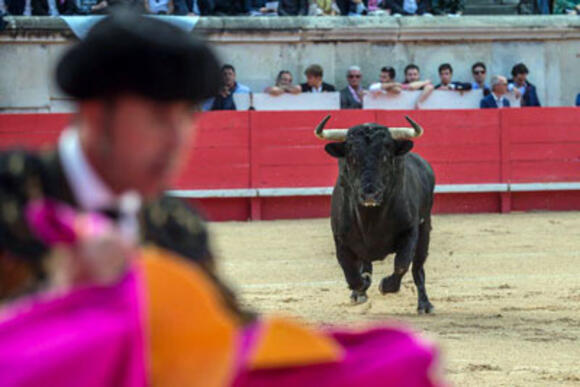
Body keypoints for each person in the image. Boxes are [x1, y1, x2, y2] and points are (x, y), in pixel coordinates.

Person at [0, 11, 241, 313]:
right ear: (96, 113)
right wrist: (53, 301)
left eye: (187, 117)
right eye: (158, 117)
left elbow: (234, 338)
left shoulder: (176, 227)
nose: (177, 140)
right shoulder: (8, 195)